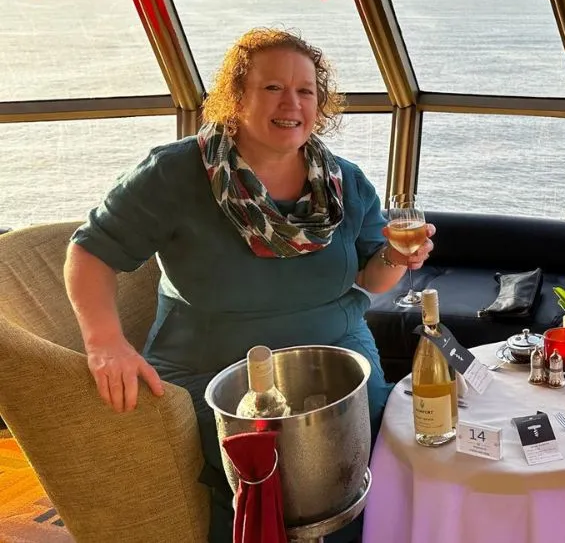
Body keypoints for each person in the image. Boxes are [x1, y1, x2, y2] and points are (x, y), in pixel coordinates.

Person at [63, 28, 432, 542]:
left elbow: (370, 276)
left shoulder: (344, 181)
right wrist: (104, 342)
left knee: (367, 467)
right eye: (272, 87)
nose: (292, 103)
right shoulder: (175, 173)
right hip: (214, 368)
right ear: (236, 98)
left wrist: (396, 256)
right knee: (260, 477)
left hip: (337, 361)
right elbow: (90, 252)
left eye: (305, 91)